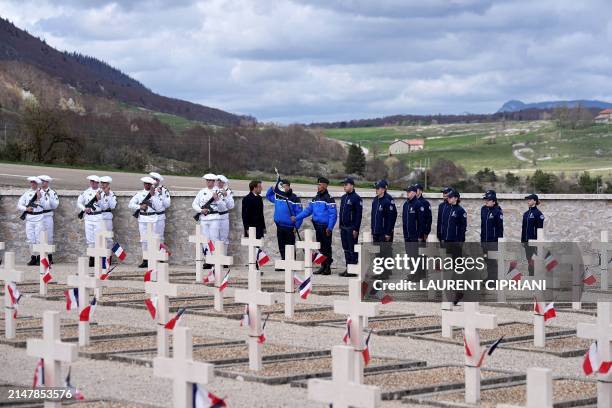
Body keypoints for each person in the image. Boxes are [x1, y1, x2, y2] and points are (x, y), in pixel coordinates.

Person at [295, 176, 337, 275]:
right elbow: (308, 211)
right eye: (318, 184)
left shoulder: (329, 199)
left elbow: (333, 215)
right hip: (317, 226)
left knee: (326, 247)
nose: (318, 186)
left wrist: (330, 227)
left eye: (320, 184)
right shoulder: (315, 198)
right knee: (320, 247)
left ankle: (327, 268)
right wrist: (297, 217)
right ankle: (323, 266)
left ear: (325, 186)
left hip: (325, 227)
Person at [192, 174, 227, 267]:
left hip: (215, 218)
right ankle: (208, 260)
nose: (208, 182)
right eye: (207, 180)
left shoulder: (218, 191)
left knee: (214, 239)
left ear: (214, 181)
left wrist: (218, 199)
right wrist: (200, 210)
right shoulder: (202, 191)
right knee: (205, 239)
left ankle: (215, 259)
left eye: (210, 181)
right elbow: (194, 204)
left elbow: (223, 207)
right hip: (204, 218)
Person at [129, 176, 164, 268]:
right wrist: (139, 207)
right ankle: (145, 259)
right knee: (144, 240)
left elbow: (159, 207)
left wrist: (153, 196)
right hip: (143, 219)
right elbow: (131, 204)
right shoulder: (139, 194)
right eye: (145, 183)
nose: (147, 185)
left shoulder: (156, 194)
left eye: (149, 184)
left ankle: (154, 258)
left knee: (153, 240)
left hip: (153, 218)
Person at [266, 177, 302, 261]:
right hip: (279, 226)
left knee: (290, 246)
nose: (282, 188)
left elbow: (299, 214)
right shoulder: (278, 196)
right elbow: (268, 196)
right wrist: (272, 188)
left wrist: (296, 226)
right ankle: (283, 262)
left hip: (290, 228)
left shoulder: (294, 198)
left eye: (284, 186)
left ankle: (291, 263)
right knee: (281, 246)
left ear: (288, 187)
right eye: (281, 186)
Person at [338, 177, 362, 277]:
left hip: (351, 228)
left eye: (346, 184)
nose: (344, 186)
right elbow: (341, 212)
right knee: (346, 249)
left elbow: (358, 215)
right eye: (343, 184)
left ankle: (353, 270)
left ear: (351, 185)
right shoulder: (344, 197)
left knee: (352, 249)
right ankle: (348, 268)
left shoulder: (356, 198)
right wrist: (340, 225)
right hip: (343, 227)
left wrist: (356, 228)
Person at [17, 176, 44, 265]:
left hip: (39, 218)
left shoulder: (42, 192)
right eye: (31, 182)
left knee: (38, 239)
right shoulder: (27, 193)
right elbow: (19, 205)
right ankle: (33, 257)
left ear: (37, 183)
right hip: (29, 218)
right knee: (30, 239)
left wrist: (39, 199)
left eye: (34, 182)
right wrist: (26, 208)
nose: (32, 184)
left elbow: (45, 205)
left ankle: (39, 257)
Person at [77, 175, 102, 267]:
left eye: (94, 182)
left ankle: (97, 258)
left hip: (98, 217)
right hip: (88, 217)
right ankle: (92, 258)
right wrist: (84, 209)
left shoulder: (101, 192)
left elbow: (104, 206)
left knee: (98, 239)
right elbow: (79, 202)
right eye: (91, 181)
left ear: (97, 183)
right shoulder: (86, 192)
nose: (92, 183)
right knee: (90, 239)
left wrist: (99, 200)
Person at [480, 190, 503, 281]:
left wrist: (499, 241)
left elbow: (500, 228)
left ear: (494, 201)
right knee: (486, 259)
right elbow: (483, 226)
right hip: (484, 240)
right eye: (485, 199)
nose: (486, 201)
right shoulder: (483, 209)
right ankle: (490, 277)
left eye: (488, 200)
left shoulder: (497, 211)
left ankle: (494, 280)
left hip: (493, 241)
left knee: (492, 261)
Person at [521, 193, 544, 275]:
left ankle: (535, 278)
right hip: (526, 241)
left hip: (534, 242)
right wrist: (523, 240)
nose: (528, 201)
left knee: (534, 260)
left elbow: (540, 229)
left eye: (530, 200)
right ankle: (531, 277)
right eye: (528, 199)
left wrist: (537, 242)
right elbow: (523, 228)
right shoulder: (526, 214)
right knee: (529, 260)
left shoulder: (538, 214)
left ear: (534, 201)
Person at [38, 175, 59, 264]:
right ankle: (40, 256)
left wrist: (49, 197)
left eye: (44, 181)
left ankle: (49, 256)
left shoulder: (52, 192)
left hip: (48, 215)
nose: (43, 183)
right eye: (41, 181)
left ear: (47, 182)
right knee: (39, 236)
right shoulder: (37, 191)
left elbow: (55, 206)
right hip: (38, 215)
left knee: (49, 236)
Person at [148, 172, 171, 243]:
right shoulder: (147, 189)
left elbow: (167, 205)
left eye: (155, 179)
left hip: (159, 217)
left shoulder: (164, 190)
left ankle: (160, 253)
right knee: (149, 239)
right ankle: (150, 254)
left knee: (159, 238)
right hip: (149, 217)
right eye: (152, 179)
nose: (154, 181)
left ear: (158, 181)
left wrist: (161, 195)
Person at [98, 176, 117, 253]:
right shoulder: (98, 193)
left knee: (108, 237)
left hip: (107, 217)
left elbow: (112, 206)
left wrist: (108, 195)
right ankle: (100, 256)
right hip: (98, 217)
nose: (102, 184)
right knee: (99, 237)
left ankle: (108, 257)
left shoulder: (112, 194)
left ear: (108, 184)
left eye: (104, 183)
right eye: (101, 182)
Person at [216, 175, 235, 245]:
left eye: (221, 182)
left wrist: (226, 196)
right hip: (213, 217)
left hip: (223, 217)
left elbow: (231, 206)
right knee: (213, 238)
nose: (219, 183)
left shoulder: (228, 192)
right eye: (218, 181)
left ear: (224, 183)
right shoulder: (212, 191)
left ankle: (223, 255)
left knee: (224, 239)